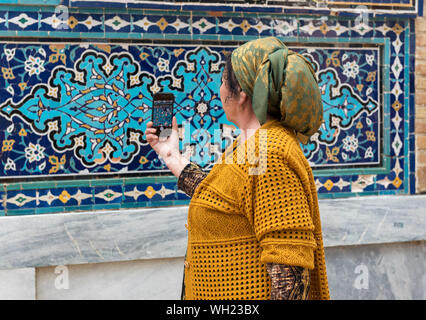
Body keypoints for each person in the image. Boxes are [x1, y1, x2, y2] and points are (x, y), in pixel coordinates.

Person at [144, 36, 330, 300]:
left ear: (241, 92)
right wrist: (170, 154)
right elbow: (221, 197)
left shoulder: (271, 153)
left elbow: (290, 279)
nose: (219, 89)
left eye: (222, 81)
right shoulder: (251, 145)